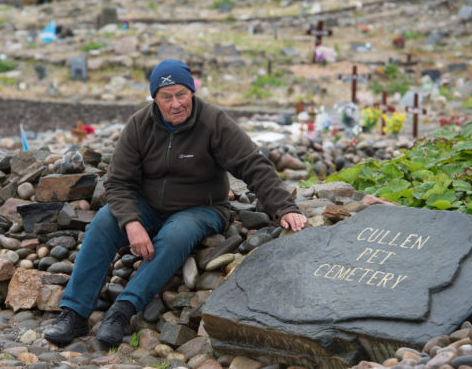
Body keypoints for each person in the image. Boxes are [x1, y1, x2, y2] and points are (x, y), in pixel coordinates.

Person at [44, 59, 307, 347]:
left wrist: (285, 208)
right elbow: (118, 182)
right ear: (155, 98)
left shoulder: (213, 121)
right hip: (148, 205)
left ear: (192, 91)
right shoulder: (139, 125)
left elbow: (253, 165)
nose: (175, 103)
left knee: (176, 234)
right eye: (166, 97)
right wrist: (132, 223)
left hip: (201, 207)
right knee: (104, 223)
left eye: (182, 94)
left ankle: (122, 311)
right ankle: (74, 313)